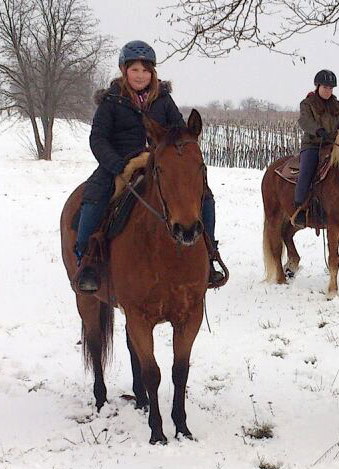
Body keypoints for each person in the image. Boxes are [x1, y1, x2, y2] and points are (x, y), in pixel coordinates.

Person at [73, 40, 226, 292]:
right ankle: (86, 261)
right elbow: (98, 138)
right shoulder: (111, 101)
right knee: (94, 197)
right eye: (135, 70)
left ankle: (208, 254)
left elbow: (179, 132)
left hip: (159, 163)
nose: (140, 75)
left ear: (152, 73)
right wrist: (116, 164)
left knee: (205, 198)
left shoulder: (163, 100)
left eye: (145, 70)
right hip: (121, 164)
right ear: (124, 70)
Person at [291, 69, 339, 228]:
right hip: (313, 144)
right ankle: (301, 207)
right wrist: (318, 130)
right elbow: (304, 121)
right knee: (306, 171)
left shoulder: (337, 105)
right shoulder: (307, 103)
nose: (328, 91)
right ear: (318, 86)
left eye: (331, 88)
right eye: (325, 87)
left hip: (334, 145)